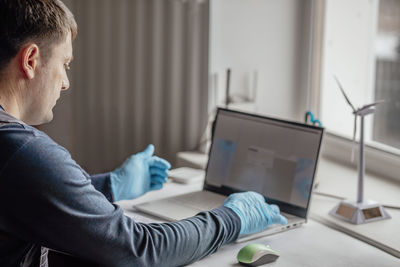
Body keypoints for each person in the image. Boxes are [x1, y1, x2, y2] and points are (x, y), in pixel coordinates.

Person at [0, 1, 288, 266]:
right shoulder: (22, 150)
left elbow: (26, 191)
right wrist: (232, 218)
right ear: (31, 60)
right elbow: (140, 249)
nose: (65, 83)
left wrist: (111, 185)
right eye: (65, 64)